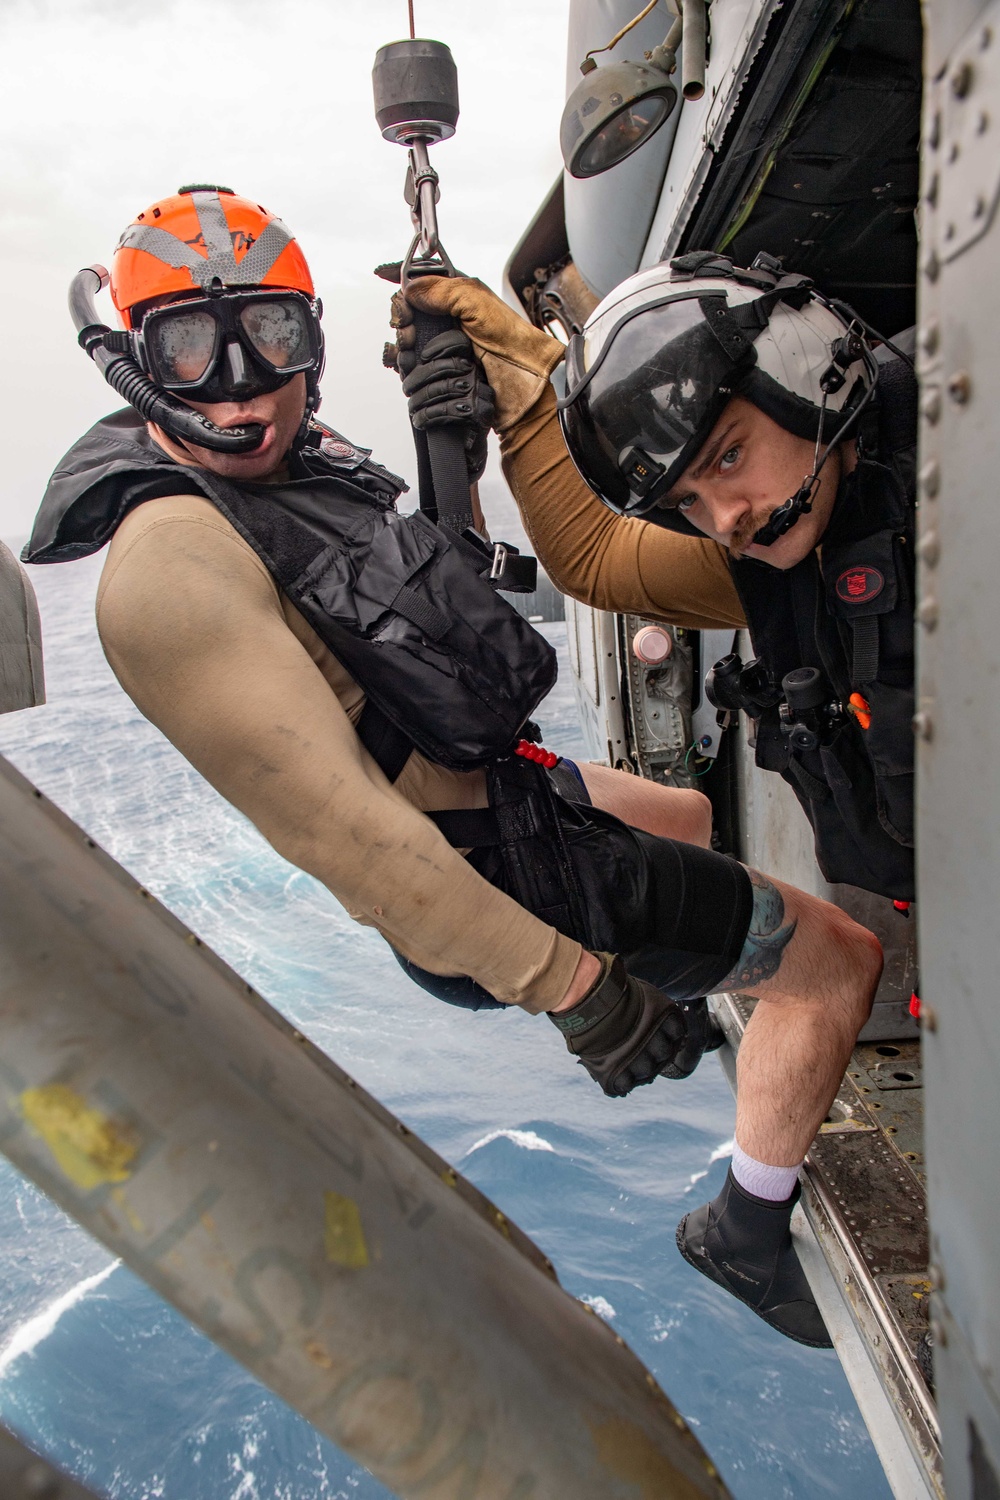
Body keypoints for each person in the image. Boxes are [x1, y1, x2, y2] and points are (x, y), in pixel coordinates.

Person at [26, 188, 882, 1347]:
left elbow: (432, 608)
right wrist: (585, 999)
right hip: (493, 880)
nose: (239, 382)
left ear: (312, 340)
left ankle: (724, 959)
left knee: (685, 812)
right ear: (136, 363)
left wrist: (460, 449)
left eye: (269, 335)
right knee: (834, 962)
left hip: (512, 802)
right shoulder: (170, 565)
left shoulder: (295, 476)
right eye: (188, 344)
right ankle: (742, 1228)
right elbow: (351, 846)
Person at [393, 252, 918, 905]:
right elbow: (597, 556)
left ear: (807, 376)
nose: (725, 519)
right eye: (688, 501)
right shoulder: (785, 542)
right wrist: (522, 386)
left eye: (729, 455)